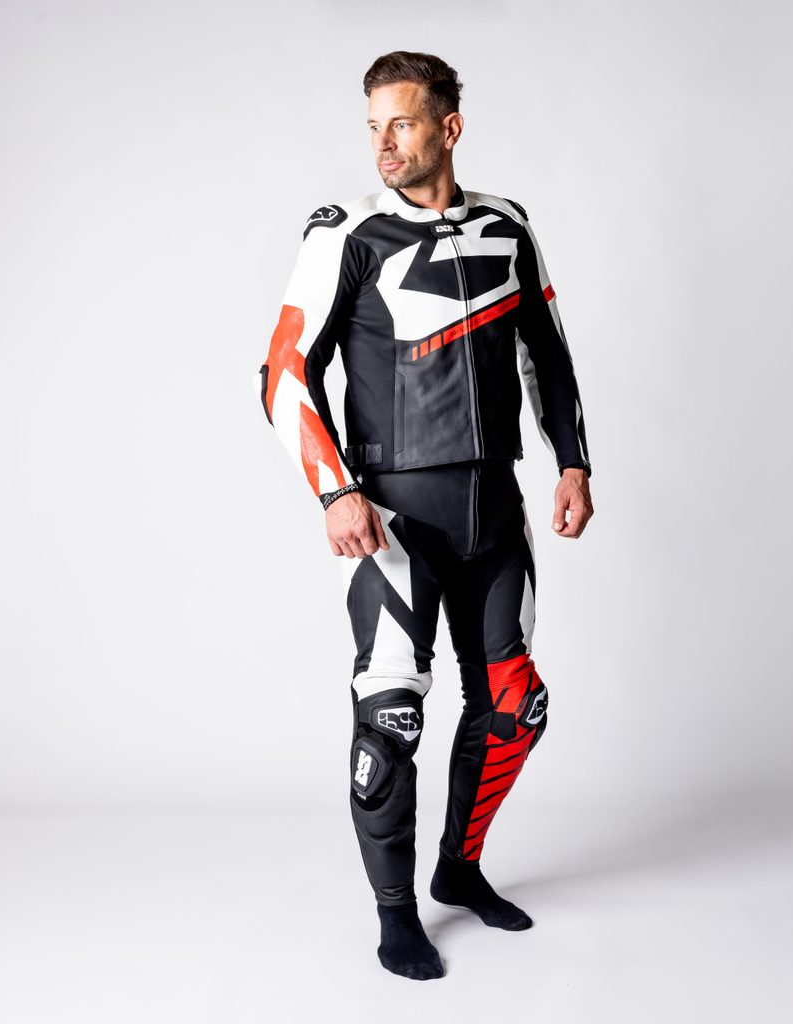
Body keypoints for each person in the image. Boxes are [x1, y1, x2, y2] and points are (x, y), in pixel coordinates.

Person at [259, 51, 594, 980]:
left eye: (400, 124)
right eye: (373, 127)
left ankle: (459, 868)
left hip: (496, 515)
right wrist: (336, 490)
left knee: (514, 707)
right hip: (393, 522)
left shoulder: (507, 225)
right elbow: (282, 372)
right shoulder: (348, 234)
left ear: (449, 127)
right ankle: (396, 914)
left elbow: (549, 354)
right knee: (392, 722)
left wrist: (572, 463)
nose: (383, 144)